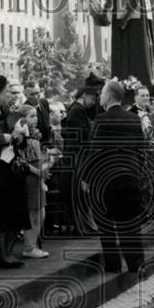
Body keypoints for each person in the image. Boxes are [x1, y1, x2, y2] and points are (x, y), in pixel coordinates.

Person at [85, 79, 146, 274]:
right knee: (130, 224)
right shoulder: (134, 119)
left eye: (102, 93)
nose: (99, 96)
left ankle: (113, 266)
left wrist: (87, 178)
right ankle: (136, 266)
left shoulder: (101, 120)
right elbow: (141, 149)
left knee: (106, 224)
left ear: (109, 96)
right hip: (130, 177)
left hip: (107, 180)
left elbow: (94, 151)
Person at [0, 75, 31, 268]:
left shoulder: (6, 111)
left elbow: (14, 135)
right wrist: (4, 137)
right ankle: (2, 253)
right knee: (1, 211)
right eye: (6, 92)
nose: (9, 96)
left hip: (11, 166)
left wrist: (20, 137)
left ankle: (8, 251)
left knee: (17, 210)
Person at [61, 84, 98, 234]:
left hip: (74, 154)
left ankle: (83, 226)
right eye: (93, 98)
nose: (94, 102)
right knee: (80, 192)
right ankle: (83, 227)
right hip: (77, 155)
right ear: (84, 95)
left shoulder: (75, 109)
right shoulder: (78, 110)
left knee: (78, 192)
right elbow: (82, 135)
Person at [19, 103, 54, 259]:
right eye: (31, 116)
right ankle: (29, 246)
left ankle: (32, 244)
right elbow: (22, 160)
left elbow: (38, 156)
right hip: (30, 177)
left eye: (36, 116)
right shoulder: (21, 135)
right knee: (33, 212)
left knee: (41, 212)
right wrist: (38, 171)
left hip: (38, 175)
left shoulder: (36, 134)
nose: (35, 119)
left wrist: (48, 163)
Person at [23, 81, 52, 145]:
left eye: (37, 93)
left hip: (49, 145)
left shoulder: (44, 102)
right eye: (32, 94)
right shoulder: (24, 109)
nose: (36, 97)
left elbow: (48, 123)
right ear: (25, 95)